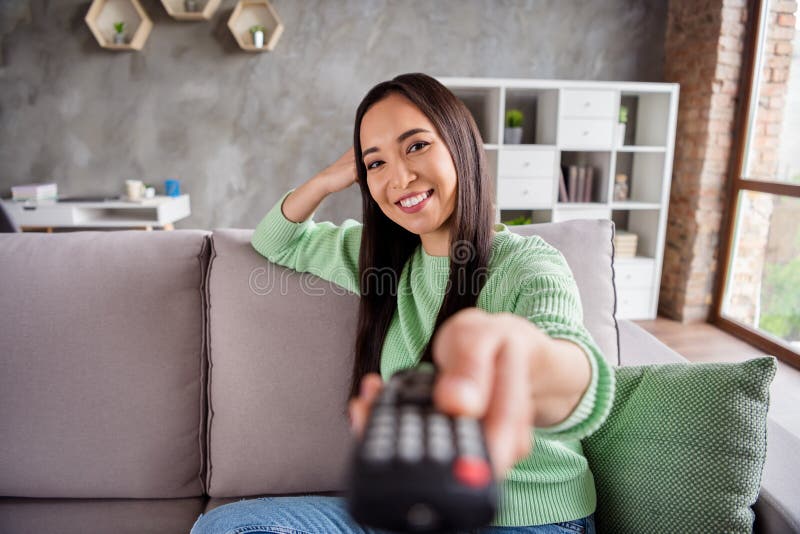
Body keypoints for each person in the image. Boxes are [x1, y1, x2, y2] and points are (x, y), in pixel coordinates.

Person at [191, 72, 614, 534]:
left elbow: (578, 377)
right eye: (376, 164)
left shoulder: (528, 264)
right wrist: (333, 177)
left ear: (460, 146)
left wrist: (527, 360)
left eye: (416, 146)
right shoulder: (380, 261)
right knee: (227, 528)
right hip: (407, 509)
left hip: (529, 521)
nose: (399, 177)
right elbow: (278, 240)